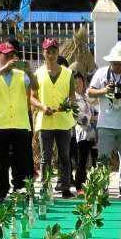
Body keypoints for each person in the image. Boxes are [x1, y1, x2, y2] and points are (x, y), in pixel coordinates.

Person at [0, 39, 34, 200]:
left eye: (12, 55)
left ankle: (21, 188)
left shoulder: (21, 74)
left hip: (20, 123)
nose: (9, 58)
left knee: (21, 159)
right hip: (1, 124)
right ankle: (1, 191)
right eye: (5, 55)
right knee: (1, 161)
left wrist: (29, 71)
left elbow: (35, 87)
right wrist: (3, 69)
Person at [88, 42, 121, 199]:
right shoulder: (101, 73)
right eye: (115, 63)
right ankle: (102, 186)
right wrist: (104, 90)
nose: (118, 66)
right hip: (106, 123)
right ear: (110, 61)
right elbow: (89, 92)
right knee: (103, 158)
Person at [32, 38, 74, 197]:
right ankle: (45, 187)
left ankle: (65, 188)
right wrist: (42, 107)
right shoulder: (37, 73)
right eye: (48, 52)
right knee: (46, 157)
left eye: (54, 51)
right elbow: (32, 97)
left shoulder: (68, 73)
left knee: (64, 156)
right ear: (43, 53)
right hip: (45, 121)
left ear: (58, 52)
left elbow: (72, 96)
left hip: (64, 121)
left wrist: (68, 104)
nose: (51, 55)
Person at [70, 70, 96, 193]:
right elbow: (78, 116)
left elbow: (95, 110)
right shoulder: (72, 98)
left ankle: (90, 184)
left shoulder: (86, 97)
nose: (78, 85)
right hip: (79, 133)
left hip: (91, 133)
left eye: (80, 82)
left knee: (90, 160)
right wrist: (92, 118)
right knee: (81, 160)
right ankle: (79, 185)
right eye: (75, 82)